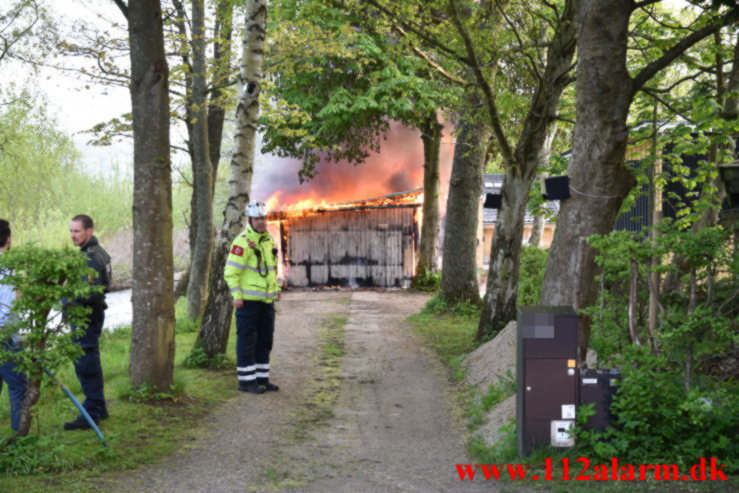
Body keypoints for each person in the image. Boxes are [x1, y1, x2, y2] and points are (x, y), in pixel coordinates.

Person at [224, 202, 281, 394]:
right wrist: (236, 296)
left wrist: (277, 288)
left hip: (266, 301)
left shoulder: (268, 240)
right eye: (257, 219)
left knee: (265, 340)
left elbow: (272, 269)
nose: (261, 222)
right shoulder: (242, 242)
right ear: (250, 220)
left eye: (263, 218)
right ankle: (246, 382)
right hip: (247, 302)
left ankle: (262, 379)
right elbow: (230, 272)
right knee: (247, 341)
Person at [63, 215, 112, 430]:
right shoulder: (91, 253)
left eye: (77, 231)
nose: (73, 235)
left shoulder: (91, 257)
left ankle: (91, 414)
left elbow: (90, 292)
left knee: (86, 365)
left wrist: (66, 292)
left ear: (89, 231)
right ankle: (99, 407)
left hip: (86, 317)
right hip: (88, 316)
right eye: (71, 231)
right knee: (89, 360)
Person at [0, 219, 27, 432]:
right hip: (6, 338)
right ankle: (21, 440)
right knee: (19, 387)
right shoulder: (6, 270)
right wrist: (17, 338)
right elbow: (8, 310)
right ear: (8, 241)